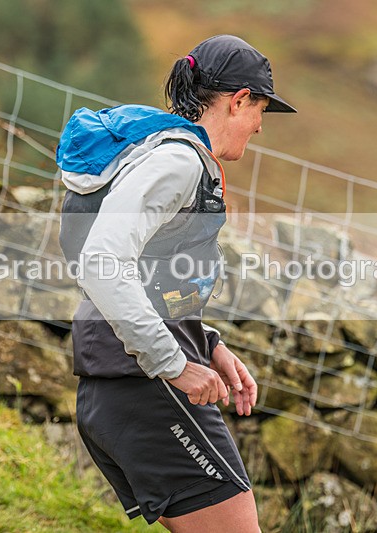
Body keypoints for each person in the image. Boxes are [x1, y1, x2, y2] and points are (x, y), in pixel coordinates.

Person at [57, 34, 295, 532]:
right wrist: (172, 363)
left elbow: (155, 273)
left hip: (125, 379)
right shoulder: (178, 161)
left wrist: (207, 345)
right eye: (260, 112)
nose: (257, 127)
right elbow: (103, 261)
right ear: (239, 101)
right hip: (144, 383)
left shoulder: (169, 154)